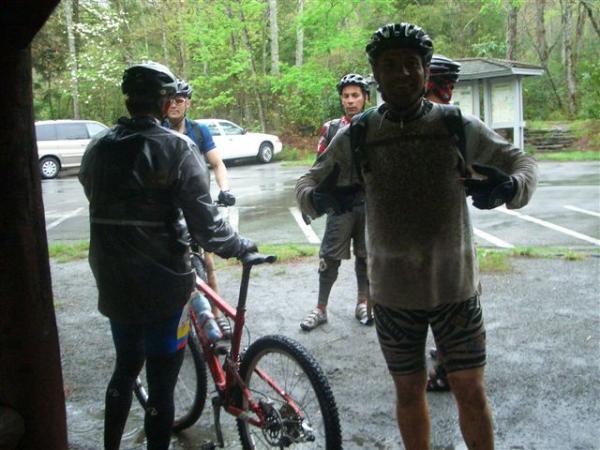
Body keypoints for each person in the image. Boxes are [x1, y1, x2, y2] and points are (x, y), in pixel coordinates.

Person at [295, 23, 538, 449]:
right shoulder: (360, 133)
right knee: (409, 393)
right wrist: (320, 198)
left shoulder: (454, 125)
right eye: (391, 65)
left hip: (456, 290)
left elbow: (521, 163)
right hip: (392, 296)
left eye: (412, 64)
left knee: (471, 392)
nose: (403, 73)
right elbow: (306, 185)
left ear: (426, 70)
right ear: (376, 74)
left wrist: (510, 189)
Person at [79, 61, 256, 450]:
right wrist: (241, 247)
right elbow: (206, 225)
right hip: (164, 284)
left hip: (113, 277)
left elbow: (94, 195)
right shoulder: (177, 147)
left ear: (127, 99)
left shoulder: (97, 147)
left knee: (125, 368)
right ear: (163, 101)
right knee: (161, 384)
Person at [300, 73, 372, 331]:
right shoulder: (330, 128)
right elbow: (318, 167)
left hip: (367, 203)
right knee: (329, 258)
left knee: (366, 256)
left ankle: (363, 303)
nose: (350, 101)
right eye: (345, 96)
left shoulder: (375, 125)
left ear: (365, 98)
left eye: (355, 96)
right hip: (339, 204)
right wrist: (320, 195)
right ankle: (320, 308)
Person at [164, 79, 235, 337]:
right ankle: (175, 319)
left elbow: (217, 164)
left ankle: (215, 315)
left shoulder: (198, 130)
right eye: (170, 100)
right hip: (169, 208)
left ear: (188, 103)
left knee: (208, 261)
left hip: (196, 205)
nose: (174, 105)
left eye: (179, 100)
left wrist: (224, 189)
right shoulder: (158, 130)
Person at [424, 54, 462, 392]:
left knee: (441, 300)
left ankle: (445, 371)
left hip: (437, 232)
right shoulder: (450, 117)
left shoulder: (443, 121)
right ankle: (448, 356)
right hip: (445, 230)